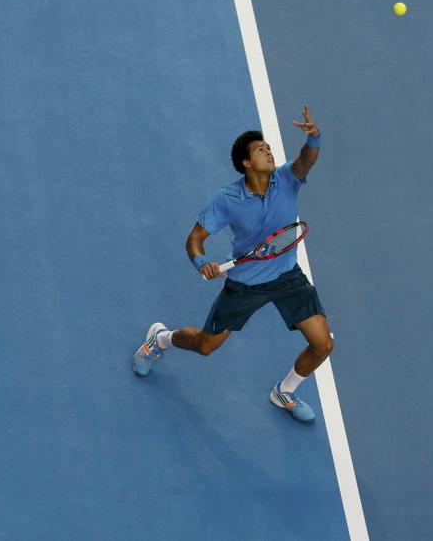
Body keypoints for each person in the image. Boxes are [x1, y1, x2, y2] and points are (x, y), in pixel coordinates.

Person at [132, 105, 333, 423]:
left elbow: (306, 160)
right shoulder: (227, 199)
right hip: (245, 286)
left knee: (323, 344)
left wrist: (314, 138)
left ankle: (284, 392)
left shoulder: (287, 179)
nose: (268, 152)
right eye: (260, 150)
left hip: (287, 278)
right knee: (205, 346)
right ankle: (161, 339)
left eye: (268, 147)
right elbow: (195, 238)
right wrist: (202, 263)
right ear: (245, 163)